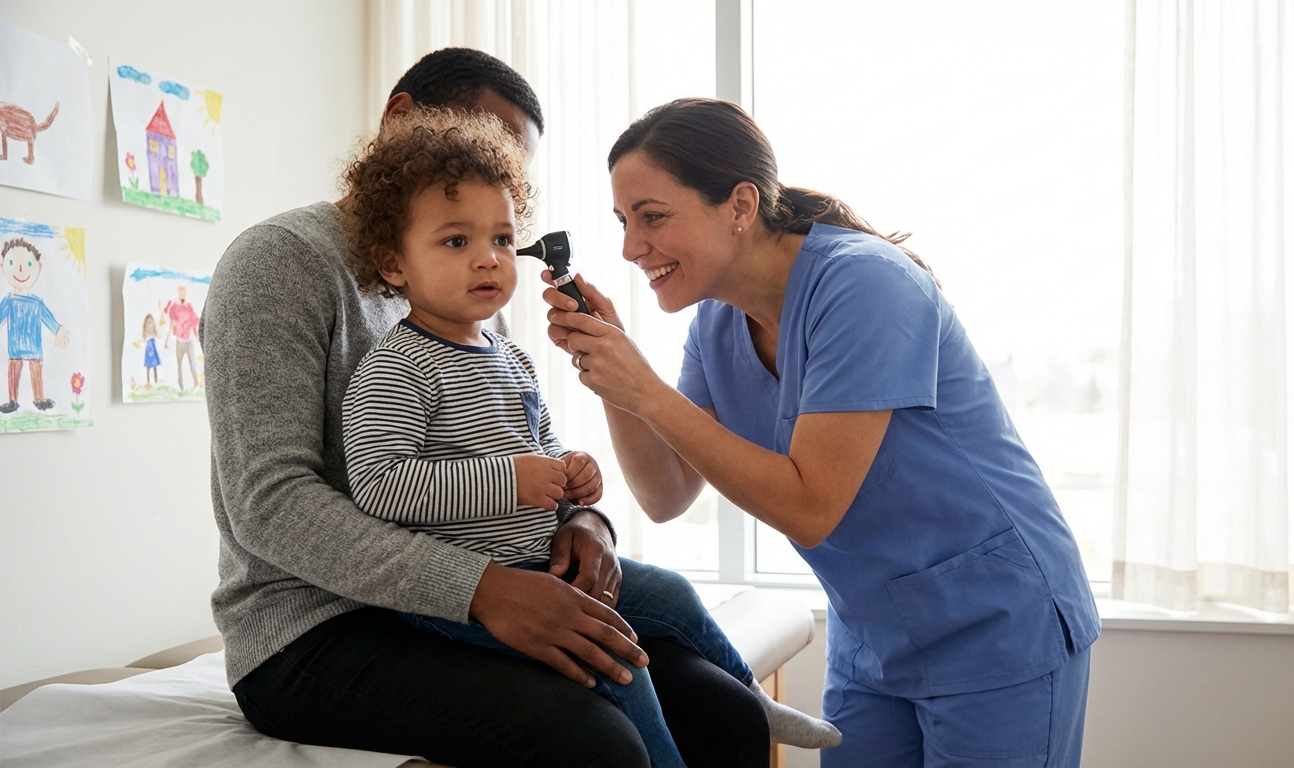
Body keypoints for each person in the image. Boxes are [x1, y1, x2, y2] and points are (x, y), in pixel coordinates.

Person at [202, 54, 769, 767]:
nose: (487, 236)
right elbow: (271, 503)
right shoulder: (277, 263)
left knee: (725, 713)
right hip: (315, 627)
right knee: (596, 741)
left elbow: (523, 447)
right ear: (402, 120)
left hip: (462, 584)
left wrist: (584, 521)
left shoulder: (471, 298)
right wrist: (481, 591)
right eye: (475, 149)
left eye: (500, 215)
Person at [543, 97, 1102, 768]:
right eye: (624, 222)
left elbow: (811, 507)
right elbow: (665, 496)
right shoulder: (718, 326)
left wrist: (647, 391)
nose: (633, 248)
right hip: (874, 637)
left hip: (999, 627)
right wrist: (613, 375)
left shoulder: (865, 286)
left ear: (741, 205)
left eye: (653, 217)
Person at [336, 107, 840, 768]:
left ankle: (750, 699)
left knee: (671, 594)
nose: (487, 259)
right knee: (615, 668)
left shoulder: (509, 357)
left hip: (546, 564)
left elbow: (539, 449)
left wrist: (574, 487)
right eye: (456, 242)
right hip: (464, 595)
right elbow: (378, 486)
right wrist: (514, 480)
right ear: (392, 263)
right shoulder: (396, 368)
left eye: (500, 239)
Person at [0, 237, 70, 414]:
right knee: (14, 370)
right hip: (15, 347)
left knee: (36, 369)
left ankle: (39, 398)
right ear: (3, 267)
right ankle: (13, 400)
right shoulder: (9, 300)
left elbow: (48, 318)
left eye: (28, 264)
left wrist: (58, 329)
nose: (21, 269)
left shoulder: (37, 303)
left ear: (38, 269)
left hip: (34, 346)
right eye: (12, 263)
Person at [163, 284, 200, 390]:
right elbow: (171, 326)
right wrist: (166, 341)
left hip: (188, 341)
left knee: (192, 363)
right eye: (180, 292)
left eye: (184, 292)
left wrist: (198, 337)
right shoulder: (174, 308)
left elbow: (194, 323)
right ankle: (181, 386)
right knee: (179, 364)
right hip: (179, 342)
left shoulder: (189, 307)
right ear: (178, 293)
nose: (182, 294)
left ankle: (196, 384)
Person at [141, 313, 160, 388]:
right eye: (148, 322)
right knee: (148, 367)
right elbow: (145, 338)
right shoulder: (146, 331)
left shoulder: (153, 330)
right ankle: (148, 382)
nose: (150, 323)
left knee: (154, 366)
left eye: (151, 321)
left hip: (153, 348)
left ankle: (156, 381)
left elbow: (156, 336)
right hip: (149, 349)